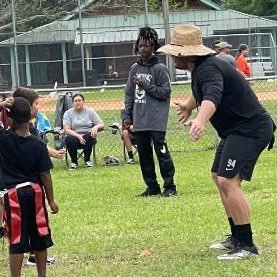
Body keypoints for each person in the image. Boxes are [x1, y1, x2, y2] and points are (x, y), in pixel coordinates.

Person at [158, 25, 276, 260]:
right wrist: (189, 106)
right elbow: (201, 92)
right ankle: (236, 236)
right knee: (218, 176)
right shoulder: (202, 67)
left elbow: (212, 95)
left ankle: (247, 245)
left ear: (186, 54)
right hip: (236, 130)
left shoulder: (208, 69)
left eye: (174, 53)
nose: (172, 57)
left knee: (228, 181)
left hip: (250, 129)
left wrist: (200, 121)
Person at [0, 97, 58, 277]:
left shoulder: (4, 140)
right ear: (30, 117)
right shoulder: (39, 144)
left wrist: (1, 106)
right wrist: (51, 200)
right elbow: (45, 175)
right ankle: (42, 274)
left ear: (10, 118)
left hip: (13, 195)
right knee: (40, 235)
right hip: (35, 193)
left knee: (16, 239)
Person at [12, 87, 64, 266]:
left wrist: (54, 153)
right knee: (37, 227)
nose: (39, 108)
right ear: (26, 108)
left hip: (12, 190)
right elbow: (44, 170)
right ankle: (36, 255)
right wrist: (51, 200)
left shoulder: (9, 134)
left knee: (17, 231)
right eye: (36, 104)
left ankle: (32, 255)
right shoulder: (25, 133)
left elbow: (41, 147)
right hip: (32, 190)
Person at [122, 26, 176, 197]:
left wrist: (146, 86)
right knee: (145, 156)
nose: (143, 49)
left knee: (162, 154)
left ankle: (170, 186)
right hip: (140, 120)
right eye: (141, 45)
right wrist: (127, 115)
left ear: (153, 47)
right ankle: (152, 186)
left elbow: (165, 92)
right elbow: (129, 93)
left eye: (147, 45)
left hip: (156, 120)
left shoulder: (159, 69)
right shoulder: (134, 68)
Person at [63, 93, 104, 169]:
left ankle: (87, 161)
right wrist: (78, 136)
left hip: (87, 135)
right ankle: (74, 162)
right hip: (74, 135)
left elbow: (101, 124)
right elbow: (66, 129)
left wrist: (96, 127)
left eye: (79, 100)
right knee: (69, 138)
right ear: (72, 103)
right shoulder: (68, 113)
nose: (77, 102)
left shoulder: (90, 112)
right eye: (75, 101)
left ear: (83, 102)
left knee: (90, 135)